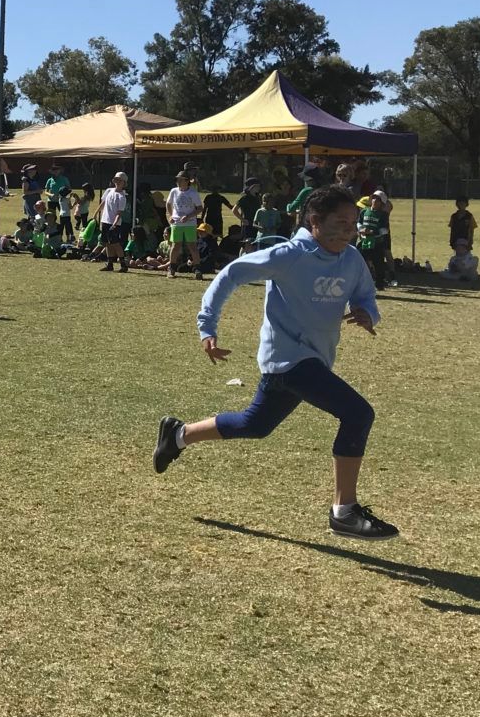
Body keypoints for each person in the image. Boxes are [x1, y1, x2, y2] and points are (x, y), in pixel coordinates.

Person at [152, 185, 396, 541]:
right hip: (288, 358)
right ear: (314, 221)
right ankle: (344, 511)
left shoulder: (352, 258)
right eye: (341, 222)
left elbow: (366, 296)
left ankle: (178, 434)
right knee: (358, 413)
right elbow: (231, 273)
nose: (349, 230)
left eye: (353, 223)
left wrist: (367, 314)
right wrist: (207, 326)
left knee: (256, 424)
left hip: (314, 359)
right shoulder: (289, 255)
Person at [166, 171, 204, 280]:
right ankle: (171, 268)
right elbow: (168, 203)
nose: (178, 181)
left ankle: (197, 269)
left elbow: (199, 208)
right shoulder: (174, 191)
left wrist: (188, 216)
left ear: (187, 181)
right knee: (175, 245)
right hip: (177, 223)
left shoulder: (193, 193)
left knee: (192, 245)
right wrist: (171, 215)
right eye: (177, 179)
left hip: (190, 223)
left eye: (181, 179)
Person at [356, 191, 390, 289]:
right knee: (359, 261)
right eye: (374, 198)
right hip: (364, 242)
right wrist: (361, 229)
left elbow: (385, 230)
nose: (375, 201)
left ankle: (379, 284)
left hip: (377, 243)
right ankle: (358, 281)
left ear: (382, 203)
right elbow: (359, 222)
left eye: (378, 200)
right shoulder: (364, 211)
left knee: (378, 264)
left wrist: (371, 232)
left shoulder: (383, 215)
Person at [98, 171, 129, 272]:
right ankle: (109, 264)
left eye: (120, 181)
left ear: (124, 183)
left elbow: (119, 213)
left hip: (113, 223)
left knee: (116, 244)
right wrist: (95, 214)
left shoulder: (122, 197)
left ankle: (123, 265)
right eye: (116, 180)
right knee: (107, 243)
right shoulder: (109, 191)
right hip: (105, 221)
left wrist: (115, 223)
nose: (117, 182)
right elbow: (103, 203)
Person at [44, 163, 73, 241]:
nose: (55, 172)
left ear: (60, 171)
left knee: (64, 219)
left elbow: (69, 189)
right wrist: (51, 194)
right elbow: (45, 191)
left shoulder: (64, 179)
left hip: (62, 201)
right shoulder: (50, 180)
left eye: (57, 170)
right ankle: (52, 235)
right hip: (51, 201)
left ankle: (67, 237)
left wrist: (64, 195)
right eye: (54, 170)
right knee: (51, 218)